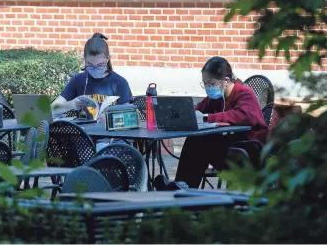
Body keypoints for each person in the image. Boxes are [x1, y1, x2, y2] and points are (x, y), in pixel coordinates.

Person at [156, 56, 268, 190]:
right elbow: (198, 109)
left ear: (226, 81)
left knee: (202, 142)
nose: (208, 88)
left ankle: (186, 187)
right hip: (229, 147)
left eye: (211, 84)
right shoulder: (217, 97)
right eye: (205, 83)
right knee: (195, 140)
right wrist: (185, 115)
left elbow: (243, 115)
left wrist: (207, 118)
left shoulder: (244, 93)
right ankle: (182, 184)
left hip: (248, 152)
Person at [51, 33, 133, 120]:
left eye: (100, 65)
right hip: (84, 132)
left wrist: (110, 118)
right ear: (85, 60)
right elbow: (51, 109)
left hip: (110, 133)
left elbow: (130, 116)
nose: (95, 69)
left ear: (107, 59)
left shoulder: (119, 82)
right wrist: (70, 104)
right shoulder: (78, 80)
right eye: (90, 65)